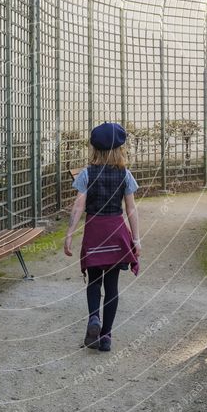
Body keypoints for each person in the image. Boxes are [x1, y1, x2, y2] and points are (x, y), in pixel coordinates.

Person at [64, 122, 140, 352]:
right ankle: (106, 337)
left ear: (94, 149)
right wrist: (136, 239)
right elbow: (131, 209)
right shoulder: (125, 174)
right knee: (112, 286)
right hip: (116, 232)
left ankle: (93, 318)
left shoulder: (87, 173)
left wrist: (69, 233)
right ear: (120, 149)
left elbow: (79, 206)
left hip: (94, 231)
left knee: (94, 282)